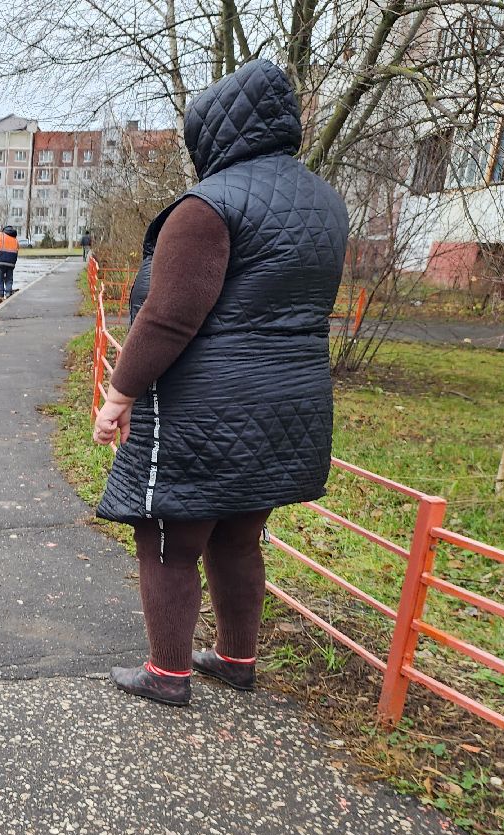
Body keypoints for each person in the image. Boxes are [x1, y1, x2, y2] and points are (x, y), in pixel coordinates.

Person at [92, 60, 349, 707]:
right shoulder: (324, 203)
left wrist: (119, 393)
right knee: (239, 533)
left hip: (206, 407)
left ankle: (168, 673)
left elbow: (170, 318)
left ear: (213, 133)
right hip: (293, 403)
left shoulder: (208, 207)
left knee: (169, 536)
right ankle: (236, 659)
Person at [0, 223, 19, 301]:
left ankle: (0, 294)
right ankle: (8, 293)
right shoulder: (15, 239)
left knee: (0, 278)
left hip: (1, 260)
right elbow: (17, 249)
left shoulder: (0, 235)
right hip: (11, 262)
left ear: (4, 230)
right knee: (9, 278)